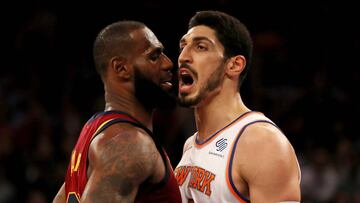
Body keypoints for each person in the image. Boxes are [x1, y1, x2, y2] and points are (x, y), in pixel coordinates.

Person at [174, 10, 301, 203]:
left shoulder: (262, 142)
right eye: (183, 46)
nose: (183, 56)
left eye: (200, 47)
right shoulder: (191, 144)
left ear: (234, 65)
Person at [53, 20, 182, 203]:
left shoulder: (96, 128)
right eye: (154, 57)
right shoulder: (130, 143)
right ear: (121, 68)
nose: (168, 63)